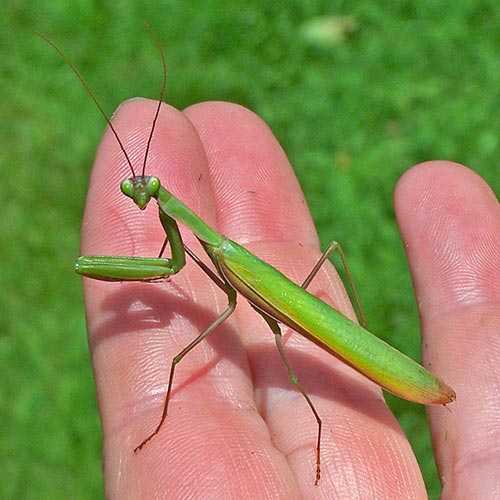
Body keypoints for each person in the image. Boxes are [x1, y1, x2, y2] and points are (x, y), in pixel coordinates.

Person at [80, 99, 500, 499]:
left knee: (221, 351)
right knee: (323, 257)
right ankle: (362, 341)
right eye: (137, 189)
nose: (140, 194)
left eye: (146, 188)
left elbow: (174, 268)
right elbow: (176, 261)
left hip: (305, 318)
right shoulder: (205, 241)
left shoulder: (219, 250)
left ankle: (320, 421)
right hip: (264, 286)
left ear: (157, 191)